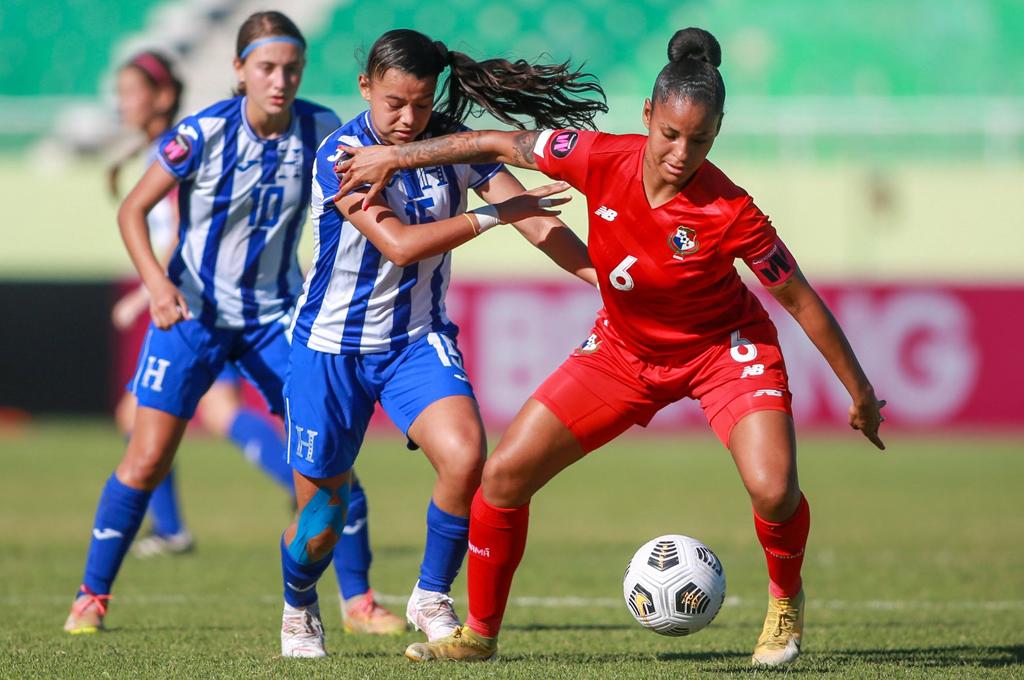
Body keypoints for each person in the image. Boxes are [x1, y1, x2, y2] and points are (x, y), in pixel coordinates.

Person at [336, 27, 887, 667]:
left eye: (700, 140)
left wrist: (860, 393)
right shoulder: (596, 156)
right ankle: (479, 635)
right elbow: (493, 142)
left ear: (717, 132)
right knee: (504, 476)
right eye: (670, 134)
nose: (681, 153)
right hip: (622, 352)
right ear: (648, 114)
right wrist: (394, 158)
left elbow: (801, 301)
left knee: (773, 489)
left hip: (723, 352)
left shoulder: (732, 210)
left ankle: (785, 605)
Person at [63, 11, 402, 636]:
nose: (281, 80)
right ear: (240, 69)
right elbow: (133, 210)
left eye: (292, 69)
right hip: (194, 315)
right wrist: (157, 286)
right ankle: (91, 597)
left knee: (330, 461)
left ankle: (359, 602)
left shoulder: (322, 129)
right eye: (267, 68)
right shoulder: (203, 132)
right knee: (147, 459)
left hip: (279, 318)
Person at [275, 28, 603, 658]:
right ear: (365, 86)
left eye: (421, 104)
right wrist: (494, 215)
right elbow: (399, 245)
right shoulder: (341, 153)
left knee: (466, 456)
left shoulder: (453, 143)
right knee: (321, 522)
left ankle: (430, 596)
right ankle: (299, 604)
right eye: (394, 103)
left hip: (415, 341)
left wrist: (606, 282)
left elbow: (536, 220)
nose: (408, 118)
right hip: (329, 350)